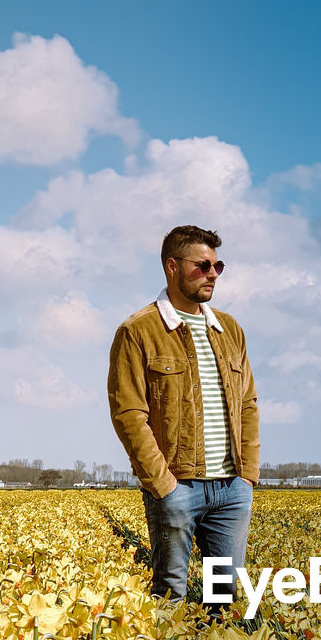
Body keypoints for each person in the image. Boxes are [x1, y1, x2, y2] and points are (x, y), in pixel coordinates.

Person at [108, 225, 260, 613]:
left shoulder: (230, 330)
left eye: (218, 266)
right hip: (178, 487)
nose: (212, 274)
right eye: (203, 265)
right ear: (172, 267)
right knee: (170, 599)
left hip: (230, 489)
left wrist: (247, 477)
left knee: (223, 600)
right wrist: (163, 484)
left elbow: (248, 404)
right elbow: (129, 414)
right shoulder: (138, 330)